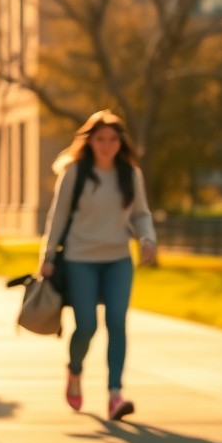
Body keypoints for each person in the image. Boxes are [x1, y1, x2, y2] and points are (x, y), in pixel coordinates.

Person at [39, 110, 157, 421]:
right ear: (90, 141)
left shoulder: (130, 174)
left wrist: (147, 238)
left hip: (117, 259)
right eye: (100, 139)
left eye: (112, 139)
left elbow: (141, 214)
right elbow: (58, 216)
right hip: (81, 260)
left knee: (117, 323)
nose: (106, 145)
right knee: (87, 326)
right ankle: (74, 371)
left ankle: (115, 395)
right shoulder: (75, 174)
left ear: (121, 142)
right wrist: (48, 256)